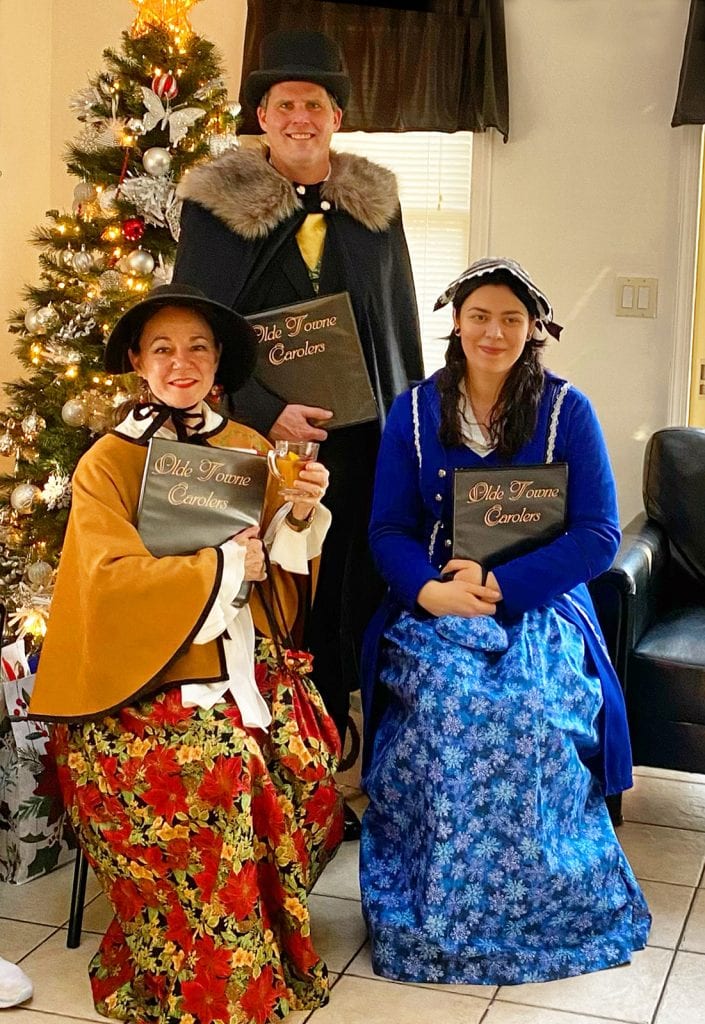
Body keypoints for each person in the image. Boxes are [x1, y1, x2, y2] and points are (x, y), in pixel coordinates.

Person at [29, 284, 343, 1024]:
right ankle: (209, 971)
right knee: (219, 772)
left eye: (198, 347)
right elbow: (105, 589)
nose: (181, 363)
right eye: (163, 348)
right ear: (138, 362)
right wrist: (223, 566)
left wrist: (296, 513)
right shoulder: (107, 462)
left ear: (218, 362)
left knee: (309, 763)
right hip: (135, 685)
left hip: (242, 663)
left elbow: (281, 576)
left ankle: (264, 938)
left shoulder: (250, 448)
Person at [359, 257, 651, 985]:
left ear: (533, 330)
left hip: (538, 601)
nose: (494, 331)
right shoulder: (415, 412)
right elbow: (387, 529)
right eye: (479, 316)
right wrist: (429, 592)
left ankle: (543, 903)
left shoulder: (564, 409)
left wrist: (499, 582)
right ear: (456, 323)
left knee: (529, 713)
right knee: (453, 708)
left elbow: (596, 533)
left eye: (511, 319)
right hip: (435, 605)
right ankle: (444, 908)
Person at [173, 30, 424, 837]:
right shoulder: (216, 209)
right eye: (284, 103)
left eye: (314, 103)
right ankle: (268, 766)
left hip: (356, 443)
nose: (299, 116)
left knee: (343, 591)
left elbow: (398, 323)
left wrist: (409, 419)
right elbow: (197, 323)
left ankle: (334, 763)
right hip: (255, 440)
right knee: (267, 593)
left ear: (335, 117)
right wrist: (259, 404)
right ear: (262, 116)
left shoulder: (373, 209)